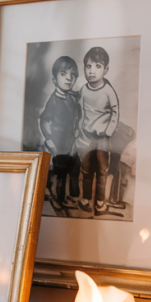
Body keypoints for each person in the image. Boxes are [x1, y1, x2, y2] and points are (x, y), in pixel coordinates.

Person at [76, 47, 120, 216]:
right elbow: (81, 111)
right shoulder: (84, 90)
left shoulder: (109, 91)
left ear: (106, 69)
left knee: (101, 171)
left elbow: (115, 113)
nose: (92, 71)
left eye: (98, 66)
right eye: (88, 66)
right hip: (87, 137)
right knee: (86, 169)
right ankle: (86, 199)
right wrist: (80, 129)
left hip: (102, 138)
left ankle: (100, 201)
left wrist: (108, 131)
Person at [38, 56, 81, 209]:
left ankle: (65, 198)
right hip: (58, 144)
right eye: (63, 74)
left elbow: (75, 116)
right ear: (54, 79)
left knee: (72, 169)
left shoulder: (71, 99)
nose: (69, 78)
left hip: (70, 143)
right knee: (60, 173)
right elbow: (44, 120)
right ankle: (57, 198)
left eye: (73, 75)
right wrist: (49, 140)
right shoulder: (53, 100)